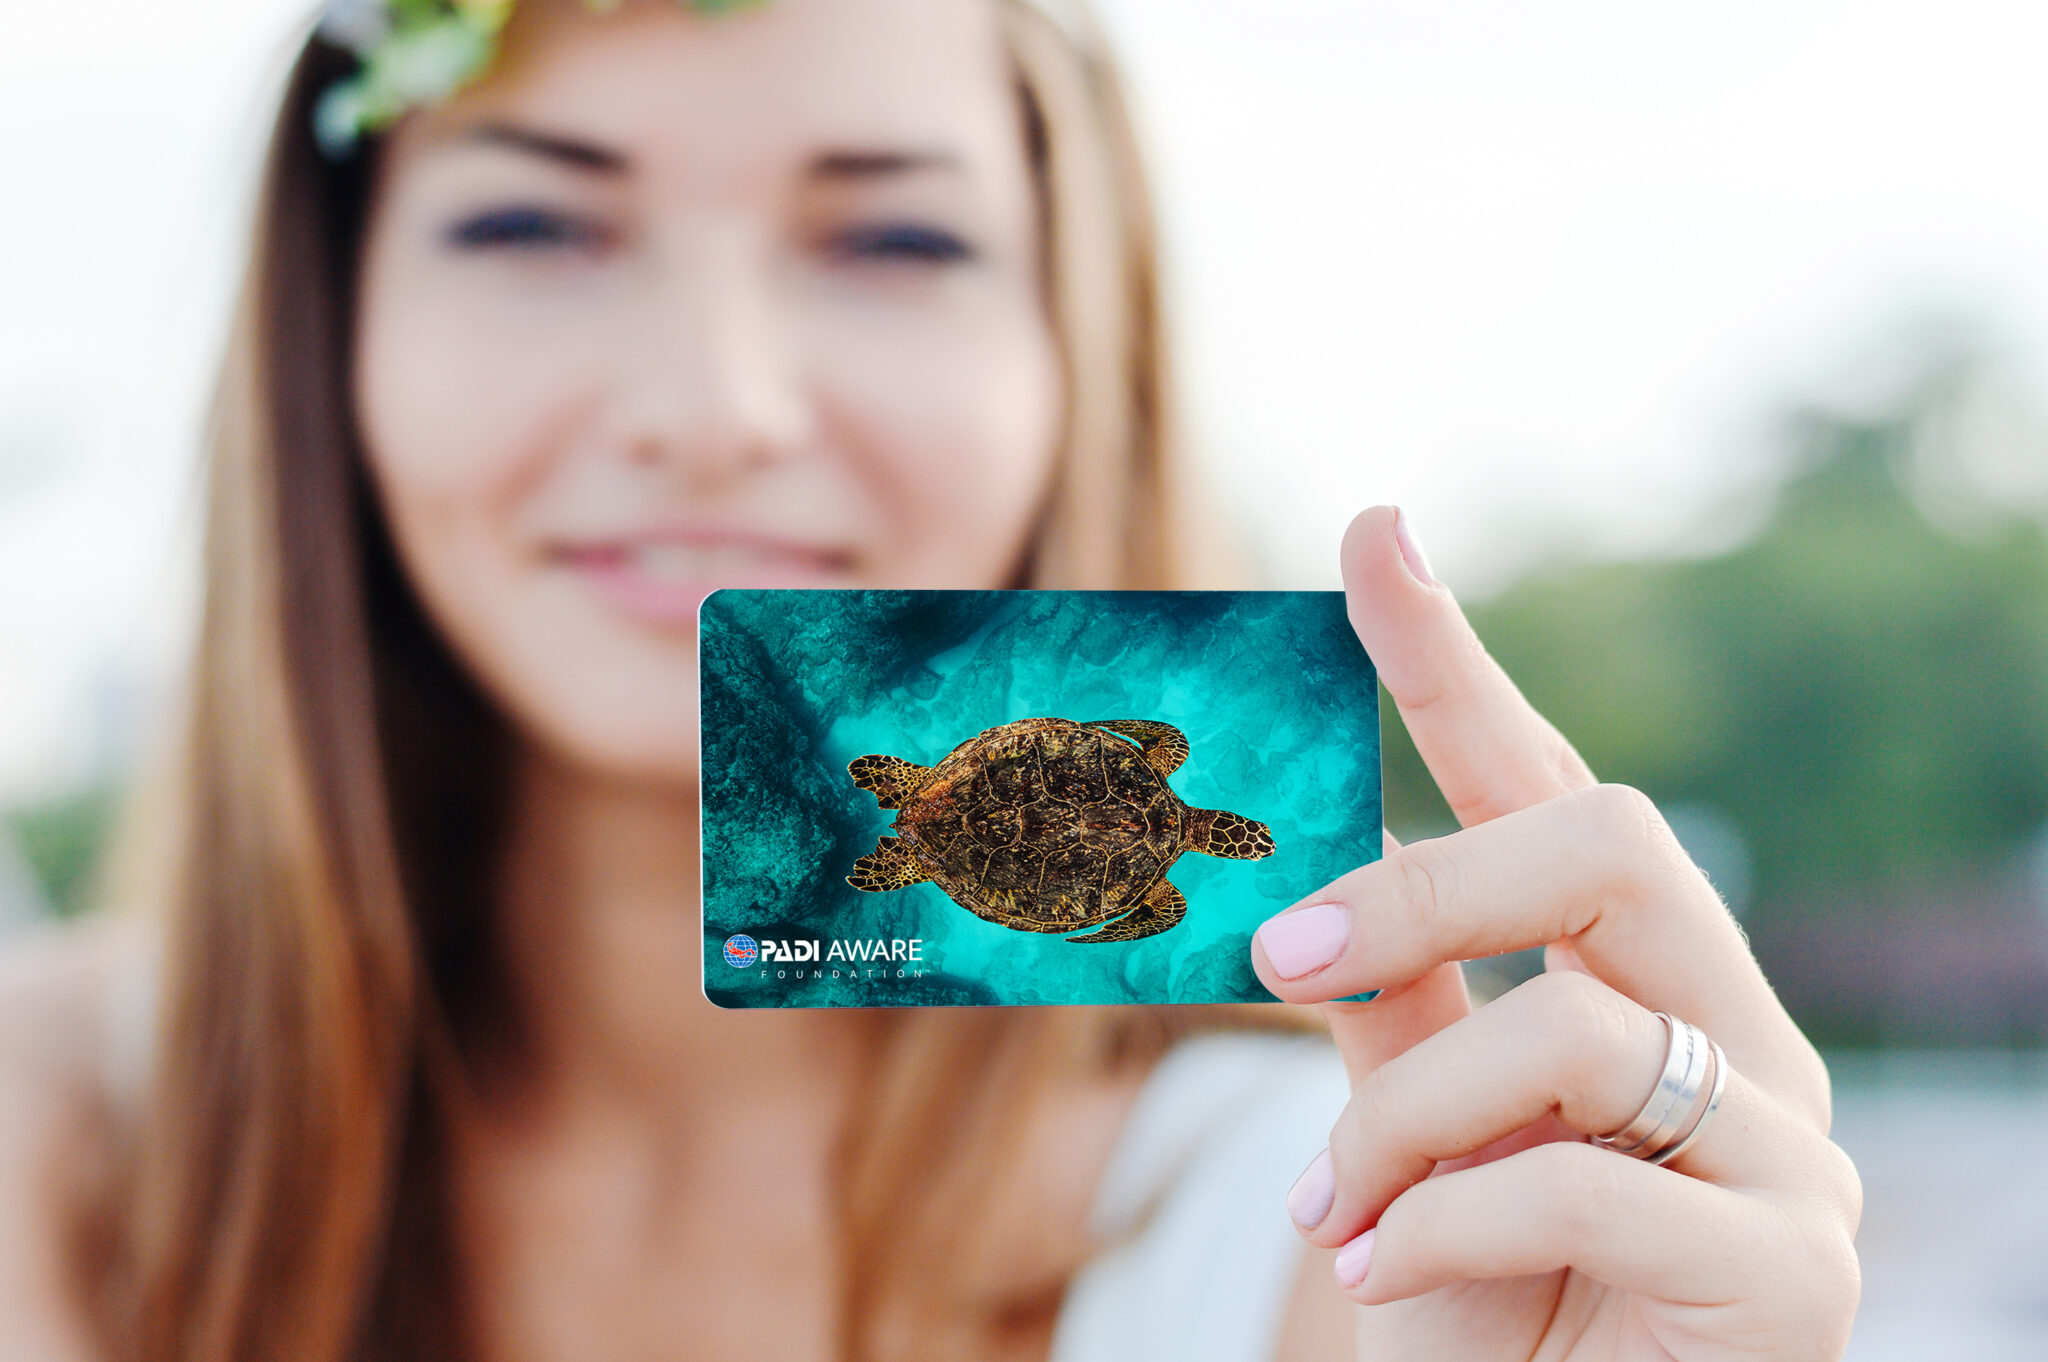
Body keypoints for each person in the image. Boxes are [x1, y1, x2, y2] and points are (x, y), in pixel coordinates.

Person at [0, 0, 1862, 1358]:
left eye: (893, 236)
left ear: (1074, 346)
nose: (716, 407)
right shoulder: (43, 1130)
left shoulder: (1384, 1245)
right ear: (334, 331)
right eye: (534, 221)